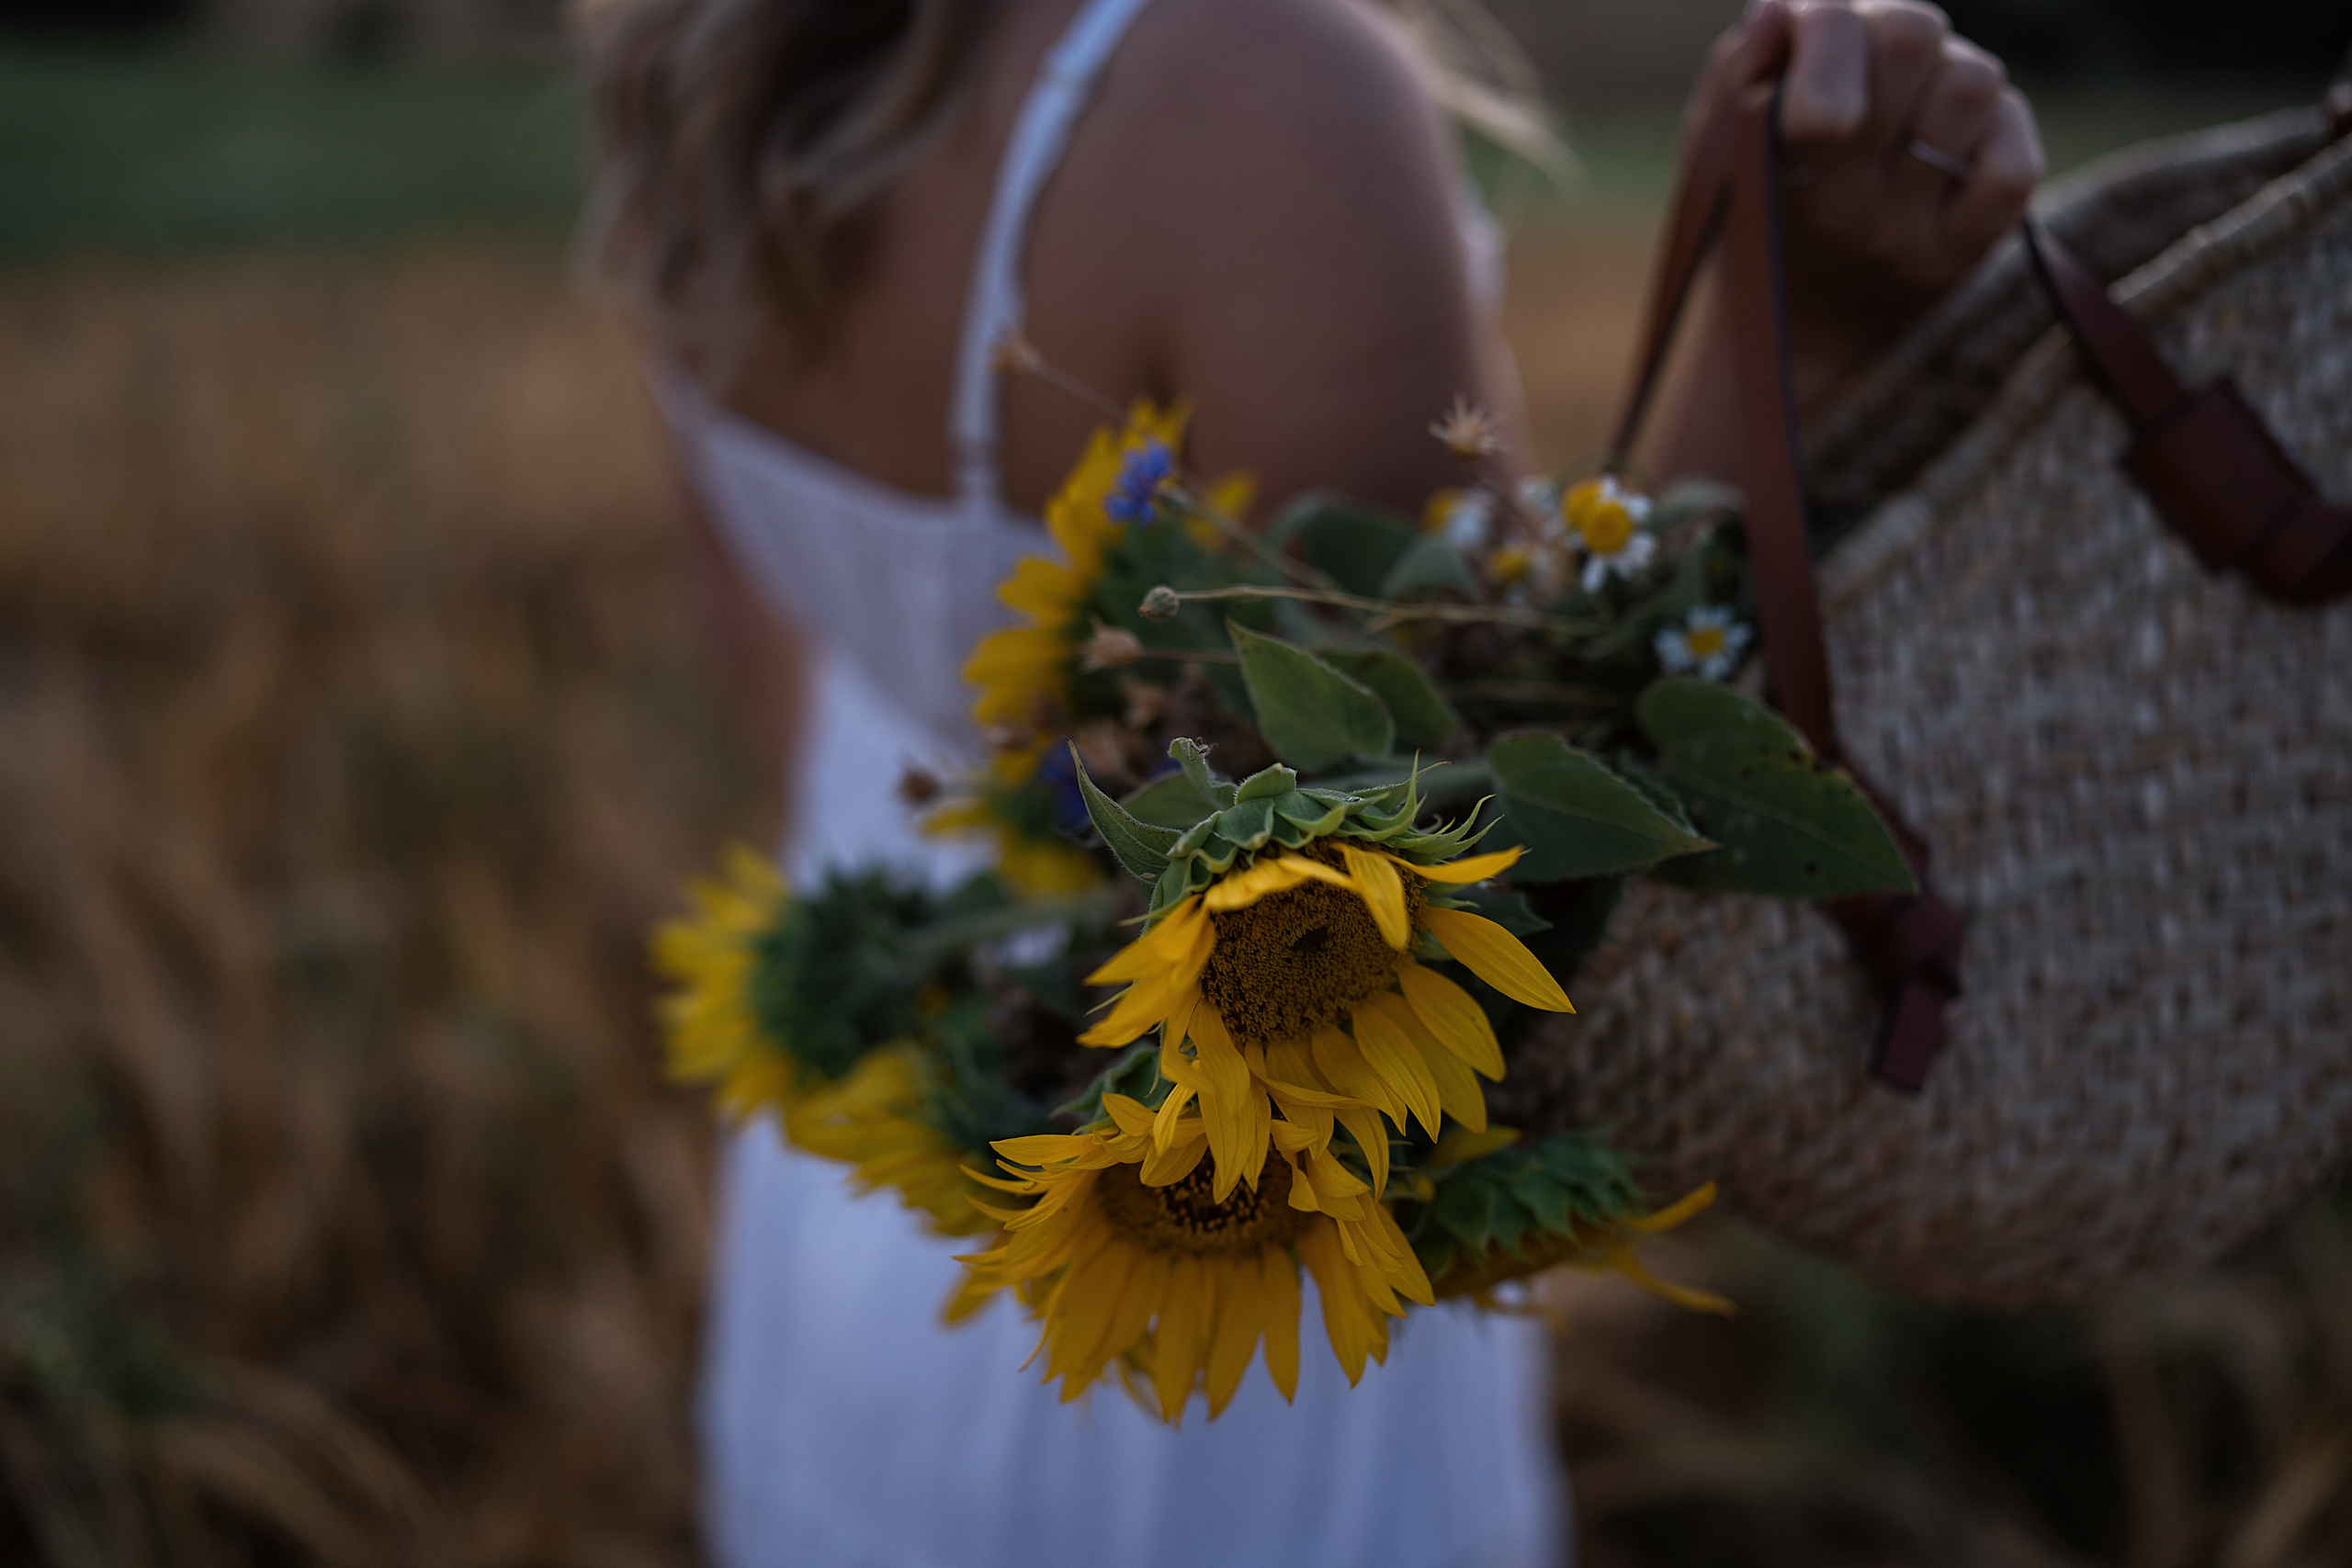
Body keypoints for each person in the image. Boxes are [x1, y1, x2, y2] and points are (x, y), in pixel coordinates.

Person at [578, 2, 2041, 1563]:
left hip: (872, 1239)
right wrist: (1798, 327)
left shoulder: (699, 58)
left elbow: (778, 676)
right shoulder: (1260, 96)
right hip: (1236, 1299)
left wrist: (1017, 846)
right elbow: (1520, 865)